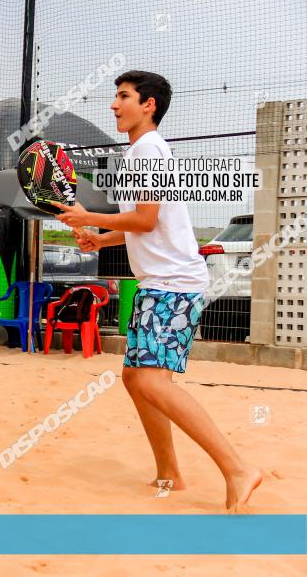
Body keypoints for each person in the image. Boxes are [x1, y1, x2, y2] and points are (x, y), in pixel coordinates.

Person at [53, 70, 261, 511]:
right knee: (136, 379)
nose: (114, 105)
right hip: (159, 283)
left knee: (152, 381)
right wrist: (99, 236)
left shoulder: (148, 149)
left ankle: (238, 468)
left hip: (174, 284)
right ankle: (169, 472)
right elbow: (148, 227)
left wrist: (88, 214)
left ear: (148, 105)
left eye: (123, 96)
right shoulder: (141, 153)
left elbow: (145, 219)